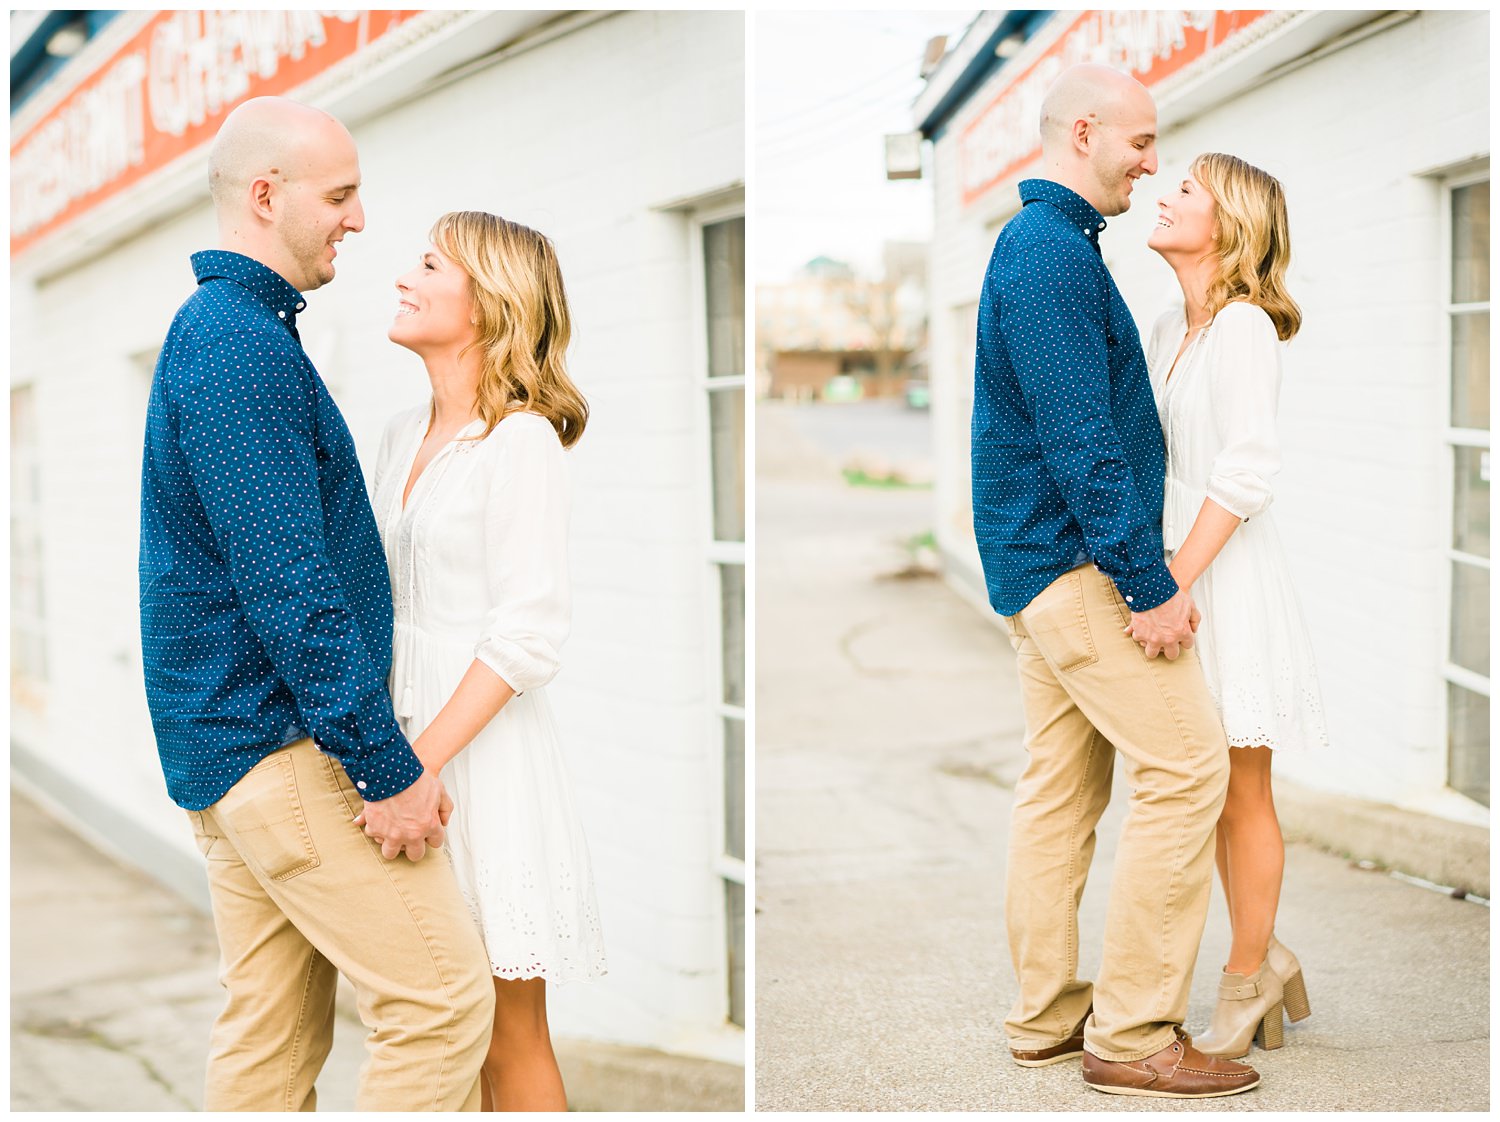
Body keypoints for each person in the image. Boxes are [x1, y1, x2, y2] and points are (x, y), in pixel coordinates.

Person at [139, 96, 494, 1111]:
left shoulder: (232, 336)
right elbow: (287, 584)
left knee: (271, 1037)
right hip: (287, 751)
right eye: (340, 195)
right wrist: (385, 768)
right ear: (266, 194)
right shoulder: (236, 346)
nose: (359, 219)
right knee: (440, 1006)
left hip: (240, 755)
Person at [971, 64, 1259, 1098]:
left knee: (1060, 792)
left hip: (1038, 568)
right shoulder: (1047, 257)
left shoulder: (1050, 249)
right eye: (1141, 143)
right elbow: (1079, 438)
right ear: (1084, 131)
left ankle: (1045, 1019)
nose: (1151, 163)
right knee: (1187, 770)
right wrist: (1148, 584)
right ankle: (1134, 1033)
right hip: (1080, 568)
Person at [368, 210, 606, 1111]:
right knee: (433, 1023)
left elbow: (527, 635)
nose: (404, 277)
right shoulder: (400, 433)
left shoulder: (523, 441)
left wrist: (414, 767)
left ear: (486, 300)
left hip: (482, 764)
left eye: (429, 265)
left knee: (508, 1034)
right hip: (401, 754)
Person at [1144, 152, 1326, 1058]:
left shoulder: (1246, 327)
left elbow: (1248, 468)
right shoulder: (1168, 325)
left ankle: (1246, 977)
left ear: (1227, 222)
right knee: (1205, 787)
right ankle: (1272, 953)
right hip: (1179, 565)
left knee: (1241, 790)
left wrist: (1174, 580)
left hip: (1222, 574)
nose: (1161, 194)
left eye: (1184, 189)